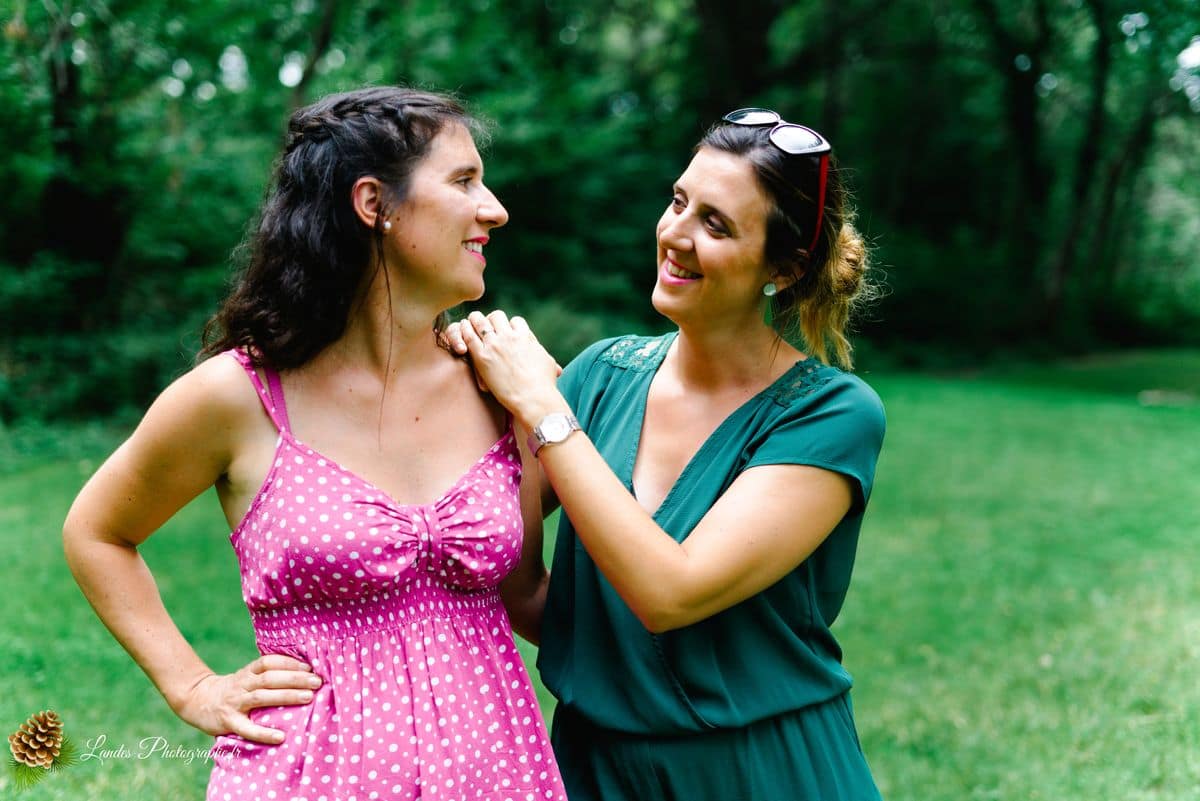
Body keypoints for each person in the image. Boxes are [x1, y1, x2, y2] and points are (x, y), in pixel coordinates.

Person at [63, 86, 567, 801]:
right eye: (463, 181)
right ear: (374, 203)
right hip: (306, 776)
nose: (495, 209)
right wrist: (192, 685)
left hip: (500, 774)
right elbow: (97, 532)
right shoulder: (238, 396)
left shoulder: (499, 385)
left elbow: (536, 594)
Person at [448, 108, 886, 800]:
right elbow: (516, 581)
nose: (676, 234)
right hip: (594, 770)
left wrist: (540, 409)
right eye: (679, 202)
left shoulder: (829, 414)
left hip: (762, 772)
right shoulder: (598, 378)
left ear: (784, 267)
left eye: (716, 224)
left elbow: (670, 593)